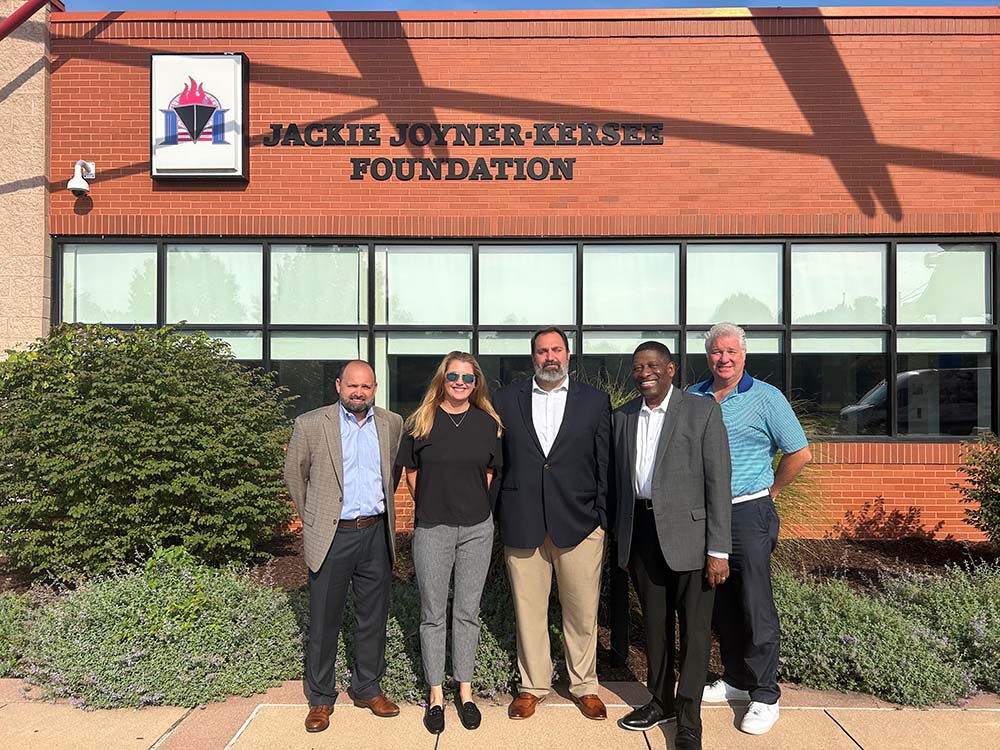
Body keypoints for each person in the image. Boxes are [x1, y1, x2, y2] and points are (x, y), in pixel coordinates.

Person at [690, 322, 812, 736]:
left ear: (744, 355)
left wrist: (772, 491)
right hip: (705, 516)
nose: (723, 359)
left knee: (754, 601)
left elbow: (799, 451)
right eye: (715, 353)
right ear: (707, 357)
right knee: (720, 603)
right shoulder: (693, 397)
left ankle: (764, 693)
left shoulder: (765, 398)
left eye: (731, 352)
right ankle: (736, 679)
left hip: (748, 513)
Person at [611, 342, 732, 750]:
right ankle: (660, 700)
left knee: (695, 633)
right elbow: (619, 486)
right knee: (655, 628)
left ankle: (689, 717)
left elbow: (718, 485)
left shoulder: (701, 411)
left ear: (670, 369)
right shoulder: (623, 417)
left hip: (692, 541)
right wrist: (623, 544)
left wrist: (719, 550)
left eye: (652, 365)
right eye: (637, 367)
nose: (644, 372)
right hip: (642, 535)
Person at [492, 326, 612, 721]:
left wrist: (600, 517)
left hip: (579, 524)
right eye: (542, 351)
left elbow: (604, 465)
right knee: (529, 610)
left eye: (556, 349)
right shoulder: (506, 400)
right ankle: (533, 686)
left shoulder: (594, 402)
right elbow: (496, 459)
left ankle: (584, 684)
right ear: (533, 358)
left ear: (568, 354)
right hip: (523, 521)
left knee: (581, 611)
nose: (550, 357)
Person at [283, 360, 405, 733]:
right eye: (352, 386)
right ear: (338, 385)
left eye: (365, 387)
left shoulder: (391, 423)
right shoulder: (310, 424)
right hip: (332, 536)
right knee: (324, 620)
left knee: (373, 617)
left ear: (375, 388)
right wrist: (316, 519)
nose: (358, 392)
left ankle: (367, 687)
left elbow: (393, 473)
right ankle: (320, 698)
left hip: (375, 532)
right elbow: (295, 475)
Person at [397, 352, 503, 735]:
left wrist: (469, 504)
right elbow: (411, 472)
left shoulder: (488, 424)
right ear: (443, 378)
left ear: (476, 384)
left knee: (467, 612)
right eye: (454, 375)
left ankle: (466, 691)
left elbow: (490, 472)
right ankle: (436, 695)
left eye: (468, 378)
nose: (460, 382)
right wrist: (430, 504)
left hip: (477, 528)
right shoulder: (420, 422)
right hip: (433, 529)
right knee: (432, 612)